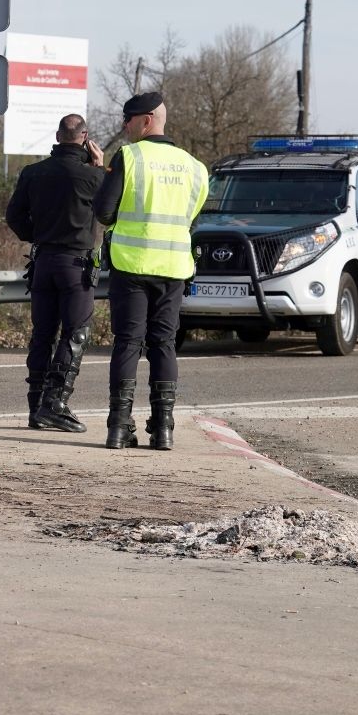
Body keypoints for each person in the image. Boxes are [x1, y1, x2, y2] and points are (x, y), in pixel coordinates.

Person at [93, 92, 208, 451]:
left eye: (128, 120)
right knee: (163, 345)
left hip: (131, 266)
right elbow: (191, 216)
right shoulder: (195, 166)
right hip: (174, 268)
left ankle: (118, 429)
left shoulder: (130, 157)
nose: (124, 127)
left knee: (128, 343)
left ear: (145, 120)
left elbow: (104, 212)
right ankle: (163, 429)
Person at [5, 113, 104, 432]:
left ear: (58, 137)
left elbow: (14, 216)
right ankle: (55, 404)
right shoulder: (92, 177)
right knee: (76, 332)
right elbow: (109, 209)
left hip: (43, 262)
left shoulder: (33, 172)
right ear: (85, 138)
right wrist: (99, 167)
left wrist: (39, 235)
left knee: (43, 335)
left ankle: (36, 405)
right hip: (75, 265)